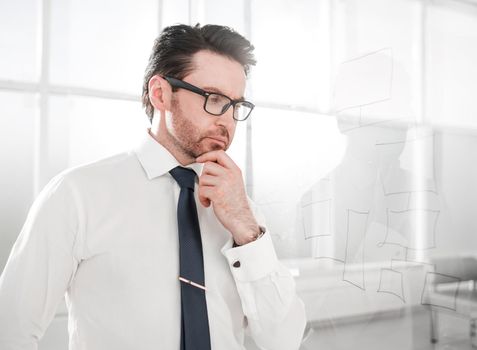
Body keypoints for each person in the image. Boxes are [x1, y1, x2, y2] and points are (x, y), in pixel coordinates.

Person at [0, 23, 306, 350]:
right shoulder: (77, 195)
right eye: (214, 99)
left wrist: (247, 231)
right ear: (161, 93)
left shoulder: (240, 210)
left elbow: (284, 341)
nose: (227, 121)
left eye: (236, 106)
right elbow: (10, 329)